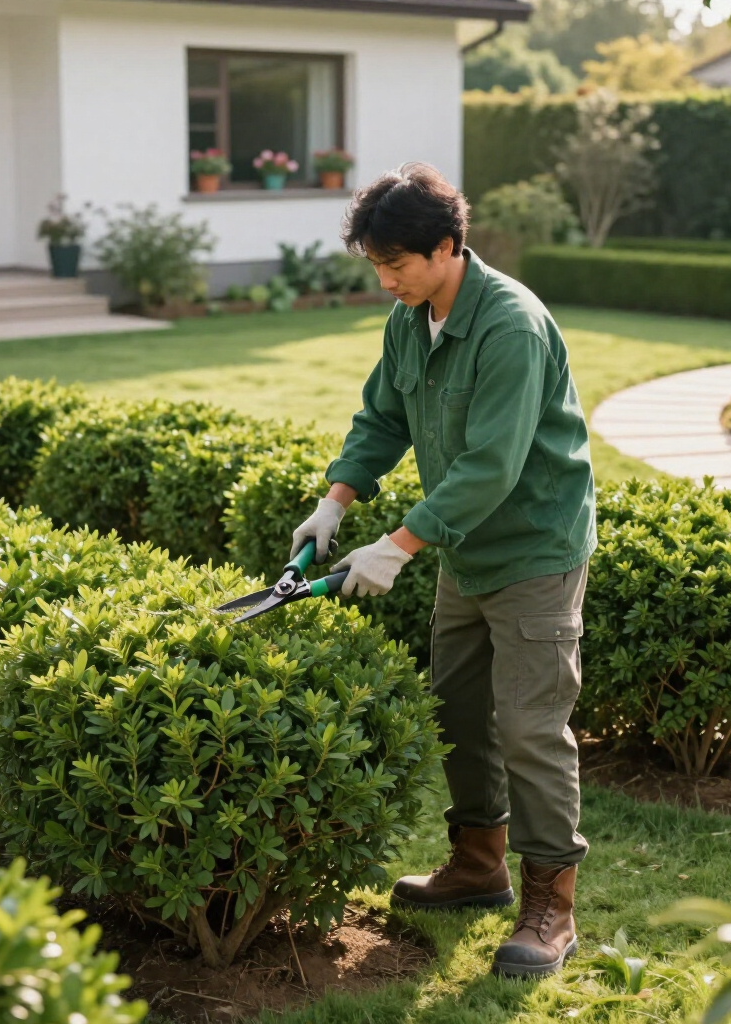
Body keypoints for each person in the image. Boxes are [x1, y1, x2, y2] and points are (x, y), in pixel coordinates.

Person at [289, 162, 597, 978]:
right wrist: (338, 500)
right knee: (458, 712)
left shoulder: (510, 327)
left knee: (530, 727)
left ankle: (552, 907)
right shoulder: (411, 316)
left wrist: (397, 547)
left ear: (449, 246)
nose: (386, 280)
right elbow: (383, 416)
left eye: (397, 264)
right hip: (466, 549)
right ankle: (477, 866)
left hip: (531, 548)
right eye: (377, 266)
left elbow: (491, 467)